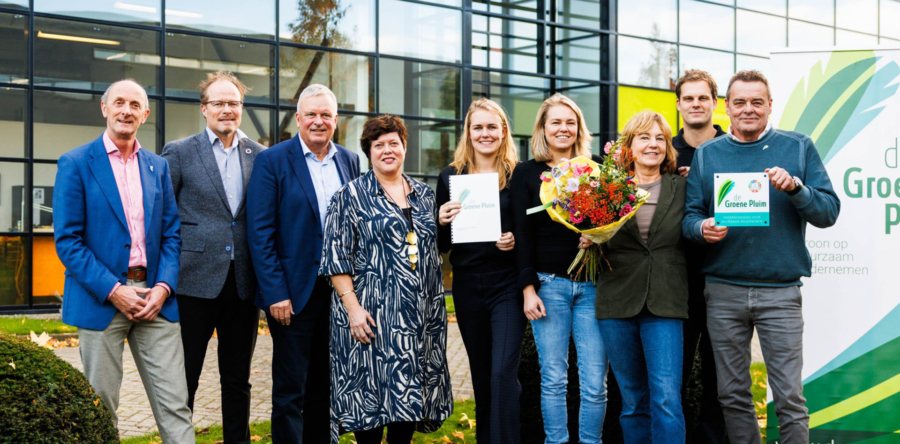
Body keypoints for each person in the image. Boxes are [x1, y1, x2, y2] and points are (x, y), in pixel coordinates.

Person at [682, 70, 841, 444]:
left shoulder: (799, 147)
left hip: (780, 292)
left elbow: (829, 213)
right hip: (722, 291)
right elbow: (688, 217)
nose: (748, 109)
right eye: (740, 102)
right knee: (732, 395)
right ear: (728, 107)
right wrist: (701, 228)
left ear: (771, 105)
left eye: (757, 102)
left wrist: (797, 189)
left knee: (789, 397)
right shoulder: (708, 154)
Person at [53, 79, 194, 443]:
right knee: (99, 407)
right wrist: (114, 291)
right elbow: (68, 241)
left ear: (145, 114)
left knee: (176, 404)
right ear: (104, 108)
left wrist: (164, 288)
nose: (126, 110)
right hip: (102, 299)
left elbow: (171, 235)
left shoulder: (157, 167)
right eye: (119, 102)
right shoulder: (76, 163)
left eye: (135, 104)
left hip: (155, 300)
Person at [319, 114, 452, 444]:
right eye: (379, 145)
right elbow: (336, 259)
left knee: (407, 405)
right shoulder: (348, 196)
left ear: (404, 147)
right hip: (370, 318)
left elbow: (431, 247)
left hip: (418, 320)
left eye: (394, 143)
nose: (388, 150)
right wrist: (352, 309)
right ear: (368, 151)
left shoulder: (423, 196)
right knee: (370, 405)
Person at [246, 84, 361, 443]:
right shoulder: (272, 160)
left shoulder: (350, 160)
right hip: (294, 293)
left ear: (336, 120)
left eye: (326, 114)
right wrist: (275, 292)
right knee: (290, 390)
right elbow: (260, 233)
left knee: (326, 386)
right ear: (298, 118)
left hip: (339, 292)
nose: (318, 121)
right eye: (311, 114)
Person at [161, 70, 265, 444]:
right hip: (192, 282)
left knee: (237, 378)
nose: (227, 110)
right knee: (184, 375)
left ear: (242, 108)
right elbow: (163, 216)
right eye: (219, 103)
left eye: (233, 103)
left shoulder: (260, 155)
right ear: (204, 109)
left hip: (242, 285)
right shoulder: (179, 151)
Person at [511, 93, 608, 444]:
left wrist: (598, 238)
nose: (563, 128)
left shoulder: (595, 167)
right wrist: (527, 289)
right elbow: (522, 234)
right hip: (548, 286)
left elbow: (609, 222)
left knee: (595, 380)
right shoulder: (526, 173)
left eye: (570, 122)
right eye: (556, 122)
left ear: (579, 127)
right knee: (553, 378)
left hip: (593, 285)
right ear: (543, 128)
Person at [596, 111, 687, 443]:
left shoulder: (683, 186)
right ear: (629, 146)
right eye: (644, 137)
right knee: (633, 400)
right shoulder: (606, 189)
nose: (653, 144)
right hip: (617, 302)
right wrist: (589, 238)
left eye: (660, 138)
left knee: (666, 399)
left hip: (665, 301)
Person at [436, 98, 523, 444]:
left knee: (503, 372)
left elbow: (529, 232)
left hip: (507, 285)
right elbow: (443, 244)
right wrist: (441, 220)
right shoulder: (450, 176)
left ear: (503, 131)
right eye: (478, 127)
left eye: (492, 127)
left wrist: (514, 239)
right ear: (468, 133)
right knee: (483, 377)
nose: (485, 134)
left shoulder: (519, 175)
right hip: (468, 286)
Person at [672, 69, 727, 443]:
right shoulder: (662, 150)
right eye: (688, 98)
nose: (695, 104)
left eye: (702, 97)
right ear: (678, 105)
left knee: (720, 378)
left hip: (726, 278)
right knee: (669, 378)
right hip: (674, 282)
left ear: (714, 102)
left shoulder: (735, 147)